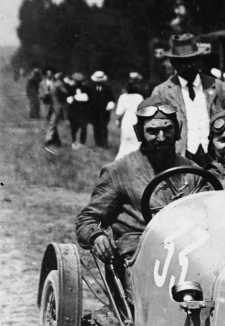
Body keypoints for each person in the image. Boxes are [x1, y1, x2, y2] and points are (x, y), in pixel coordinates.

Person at [75, 100, 201, 297]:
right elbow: (87, 219)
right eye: (152, 131)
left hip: (189, 254)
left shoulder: (194, 172)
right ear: (139, 132)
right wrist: (96, 236)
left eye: (167, 129)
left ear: (178, 130)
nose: (161, 137)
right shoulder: (118, 171)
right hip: (139, 257)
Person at [150, 33, 225, 165]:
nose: (189, 66)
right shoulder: (162, 92)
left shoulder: (218, 87)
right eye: (183, 62)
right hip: (180, 158)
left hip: (216, 158)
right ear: (173, 63)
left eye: (192, 60)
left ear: (199, 60)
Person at [114, 72, 147, 160]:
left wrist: (118, 120)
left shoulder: (123, 97)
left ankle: (122, 158)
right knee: (136, 141)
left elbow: (119, 112)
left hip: (127, 119)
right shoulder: (139, 97)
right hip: (136, 119)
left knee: (125, 142)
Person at [87, 70, 114, 148]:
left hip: (104, 112)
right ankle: (98, 142)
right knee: (96, 127)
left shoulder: (107, 89)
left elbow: (111, 99)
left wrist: (110, 105)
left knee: (103, 127)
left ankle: (104, 143)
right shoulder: (91, 88)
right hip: (94, 112)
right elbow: (89, 100)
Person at [66, 72, 91, 148]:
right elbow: (69, 100)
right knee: (76, 127)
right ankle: (75, 142)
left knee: (82, 127)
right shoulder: (72, 89)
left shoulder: (85, 89)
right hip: (75, 111)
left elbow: (89, 100)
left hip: (81, 111)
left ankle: (80, 143)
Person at [41, 69, 65, 147]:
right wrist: (44, 95)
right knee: (51, 124)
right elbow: (39, 94)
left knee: (52, 123)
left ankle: (47, 140)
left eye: (51, 73)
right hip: (47, 107)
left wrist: (59, 89)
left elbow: (65, 92)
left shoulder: (58, 82)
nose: (49, 75)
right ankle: (57, 142)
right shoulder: (42, 83)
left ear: (53, 74)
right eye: (47, 73)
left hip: (56, 106)